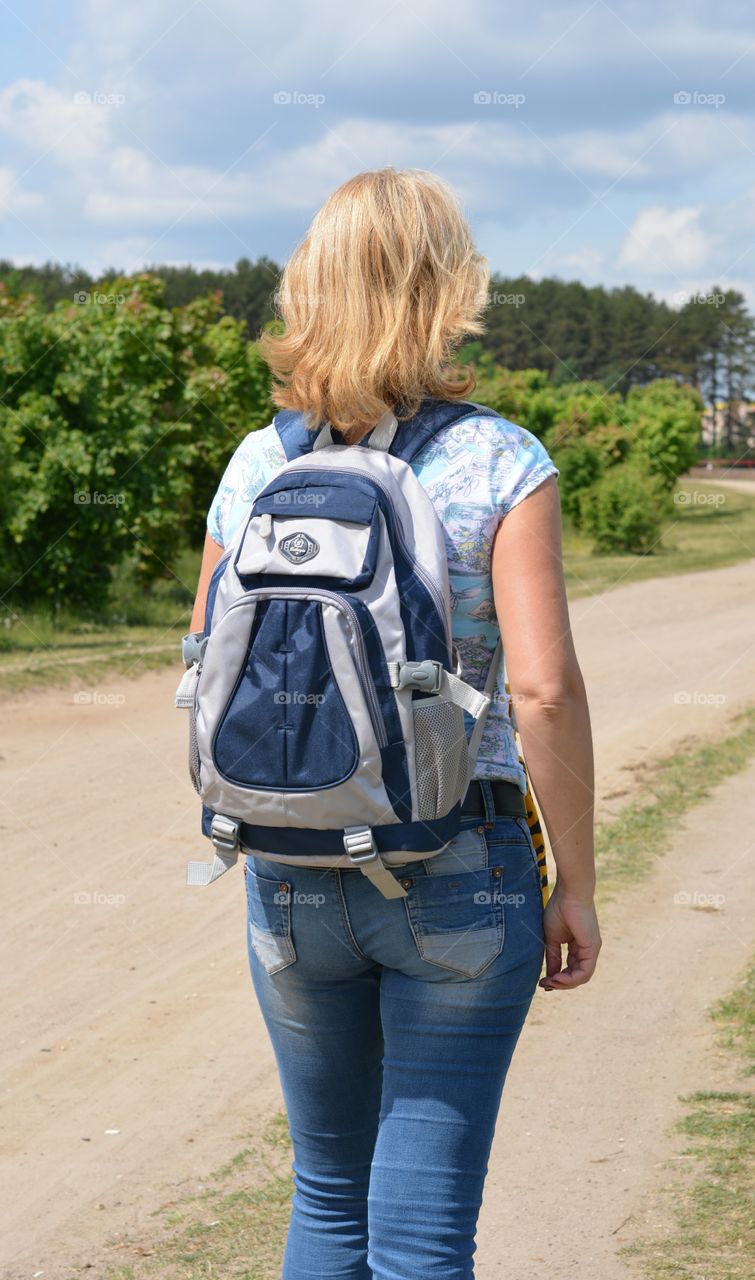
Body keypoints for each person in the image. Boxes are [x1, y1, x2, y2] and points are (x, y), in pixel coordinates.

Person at [189, 168, 600, 1280]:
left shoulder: (259, 462)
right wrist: (575, 882)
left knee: (326, 1201)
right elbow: (543, 691)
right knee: (419, 1238)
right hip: (456, 853)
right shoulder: (499, 459)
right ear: (446, 289)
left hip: (287, 864)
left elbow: (203, 667)